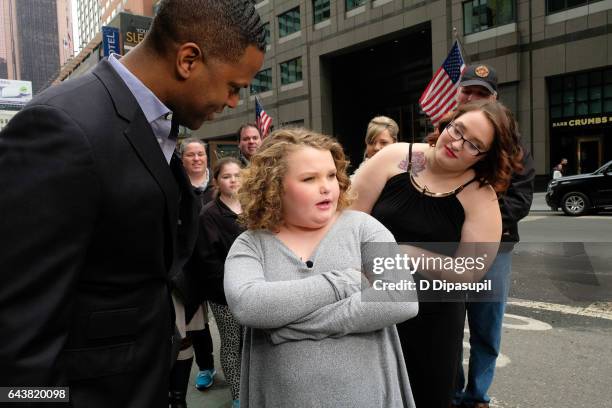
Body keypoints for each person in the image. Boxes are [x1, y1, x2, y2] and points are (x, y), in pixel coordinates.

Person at [0, 1, 265, 407]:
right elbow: (17, 329)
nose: (233, 103)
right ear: (188, 59)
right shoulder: (62, 126)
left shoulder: (159, 126)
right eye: (233, 87)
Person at [224, 128, 419, 408]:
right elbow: (249, 305)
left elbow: (401, 299)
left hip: (367, 396)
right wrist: (344, 282)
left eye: (331, 175)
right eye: (309, 179)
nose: (327, 186)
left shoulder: (365, 229)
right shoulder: (250, 244)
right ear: (273, 186)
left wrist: (289, 327)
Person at [351, 100, 524, 408]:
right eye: (457, 129)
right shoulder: (398, 158)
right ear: (448, 122)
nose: (457, 143)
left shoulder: (480, 197)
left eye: (473, 144)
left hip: (431, 323)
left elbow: (469, 271)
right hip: (367, 304)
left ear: (487, 156)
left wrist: (405, 254)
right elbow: (348, 220)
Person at [451, 64, 535, 408]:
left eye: (481, 93)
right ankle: (453, 393)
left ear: (494, 99)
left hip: (494, 250)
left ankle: (476, 397)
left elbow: (520, 200)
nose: (472, 98)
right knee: (450, 327)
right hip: (448, 249)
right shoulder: (446, 138)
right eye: (467, 91)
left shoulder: (514, 147)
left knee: (486, 328)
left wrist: (479, 223)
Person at [189, 157, 245, 408]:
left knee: (255, 344)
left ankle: (255, 389)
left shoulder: (253, 206)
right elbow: (207, 261)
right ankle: (238, 396)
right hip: (224, 293)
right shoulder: (209, 214)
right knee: (232, 344)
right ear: (216, 181)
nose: (233, 180)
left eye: (237, 175)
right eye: (226, 176)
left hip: (256, 289)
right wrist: (233, 285)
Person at [172, 138, 216, 406]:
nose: (197, 158)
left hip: (215, 265)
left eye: (201, 154)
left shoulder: (217, 185)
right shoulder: (175, 186)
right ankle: (204, 370)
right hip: (186, 271)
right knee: (191, 327)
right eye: (191, 154)